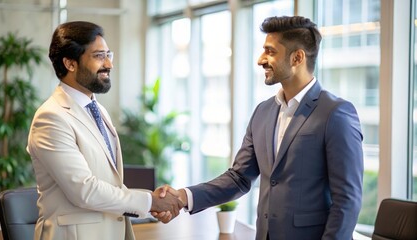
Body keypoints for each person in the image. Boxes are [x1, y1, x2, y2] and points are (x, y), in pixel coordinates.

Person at [154, 15, 364, 240]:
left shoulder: (336, 113)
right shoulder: (263, 112)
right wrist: (183, 197)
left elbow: (347, 199)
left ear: (297, 58)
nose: (261, 60)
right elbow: (239, 178)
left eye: (270, 51)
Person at [27, 21, 183, 240]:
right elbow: (85, 190)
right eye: (99, 56)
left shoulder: (97, 110)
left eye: (109, 54)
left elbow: (110, 183)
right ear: (70, 63)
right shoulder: (51, 117)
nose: (109, 64)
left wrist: (150, 204)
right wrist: (150, 202)